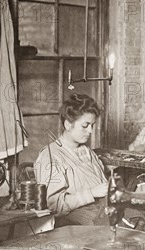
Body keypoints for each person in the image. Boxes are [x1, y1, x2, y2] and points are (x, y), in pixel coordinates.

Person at [35, 94, 108, 226]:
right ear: (68, 124)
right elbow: (53, 205)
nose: (91, 131)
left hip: (101, 208)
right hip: (73, 218)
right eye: (85, 125)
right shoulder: (51, 156)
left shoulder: (87, 152)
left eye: (92, 125)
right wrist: (92, 193)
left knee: (141, 217)